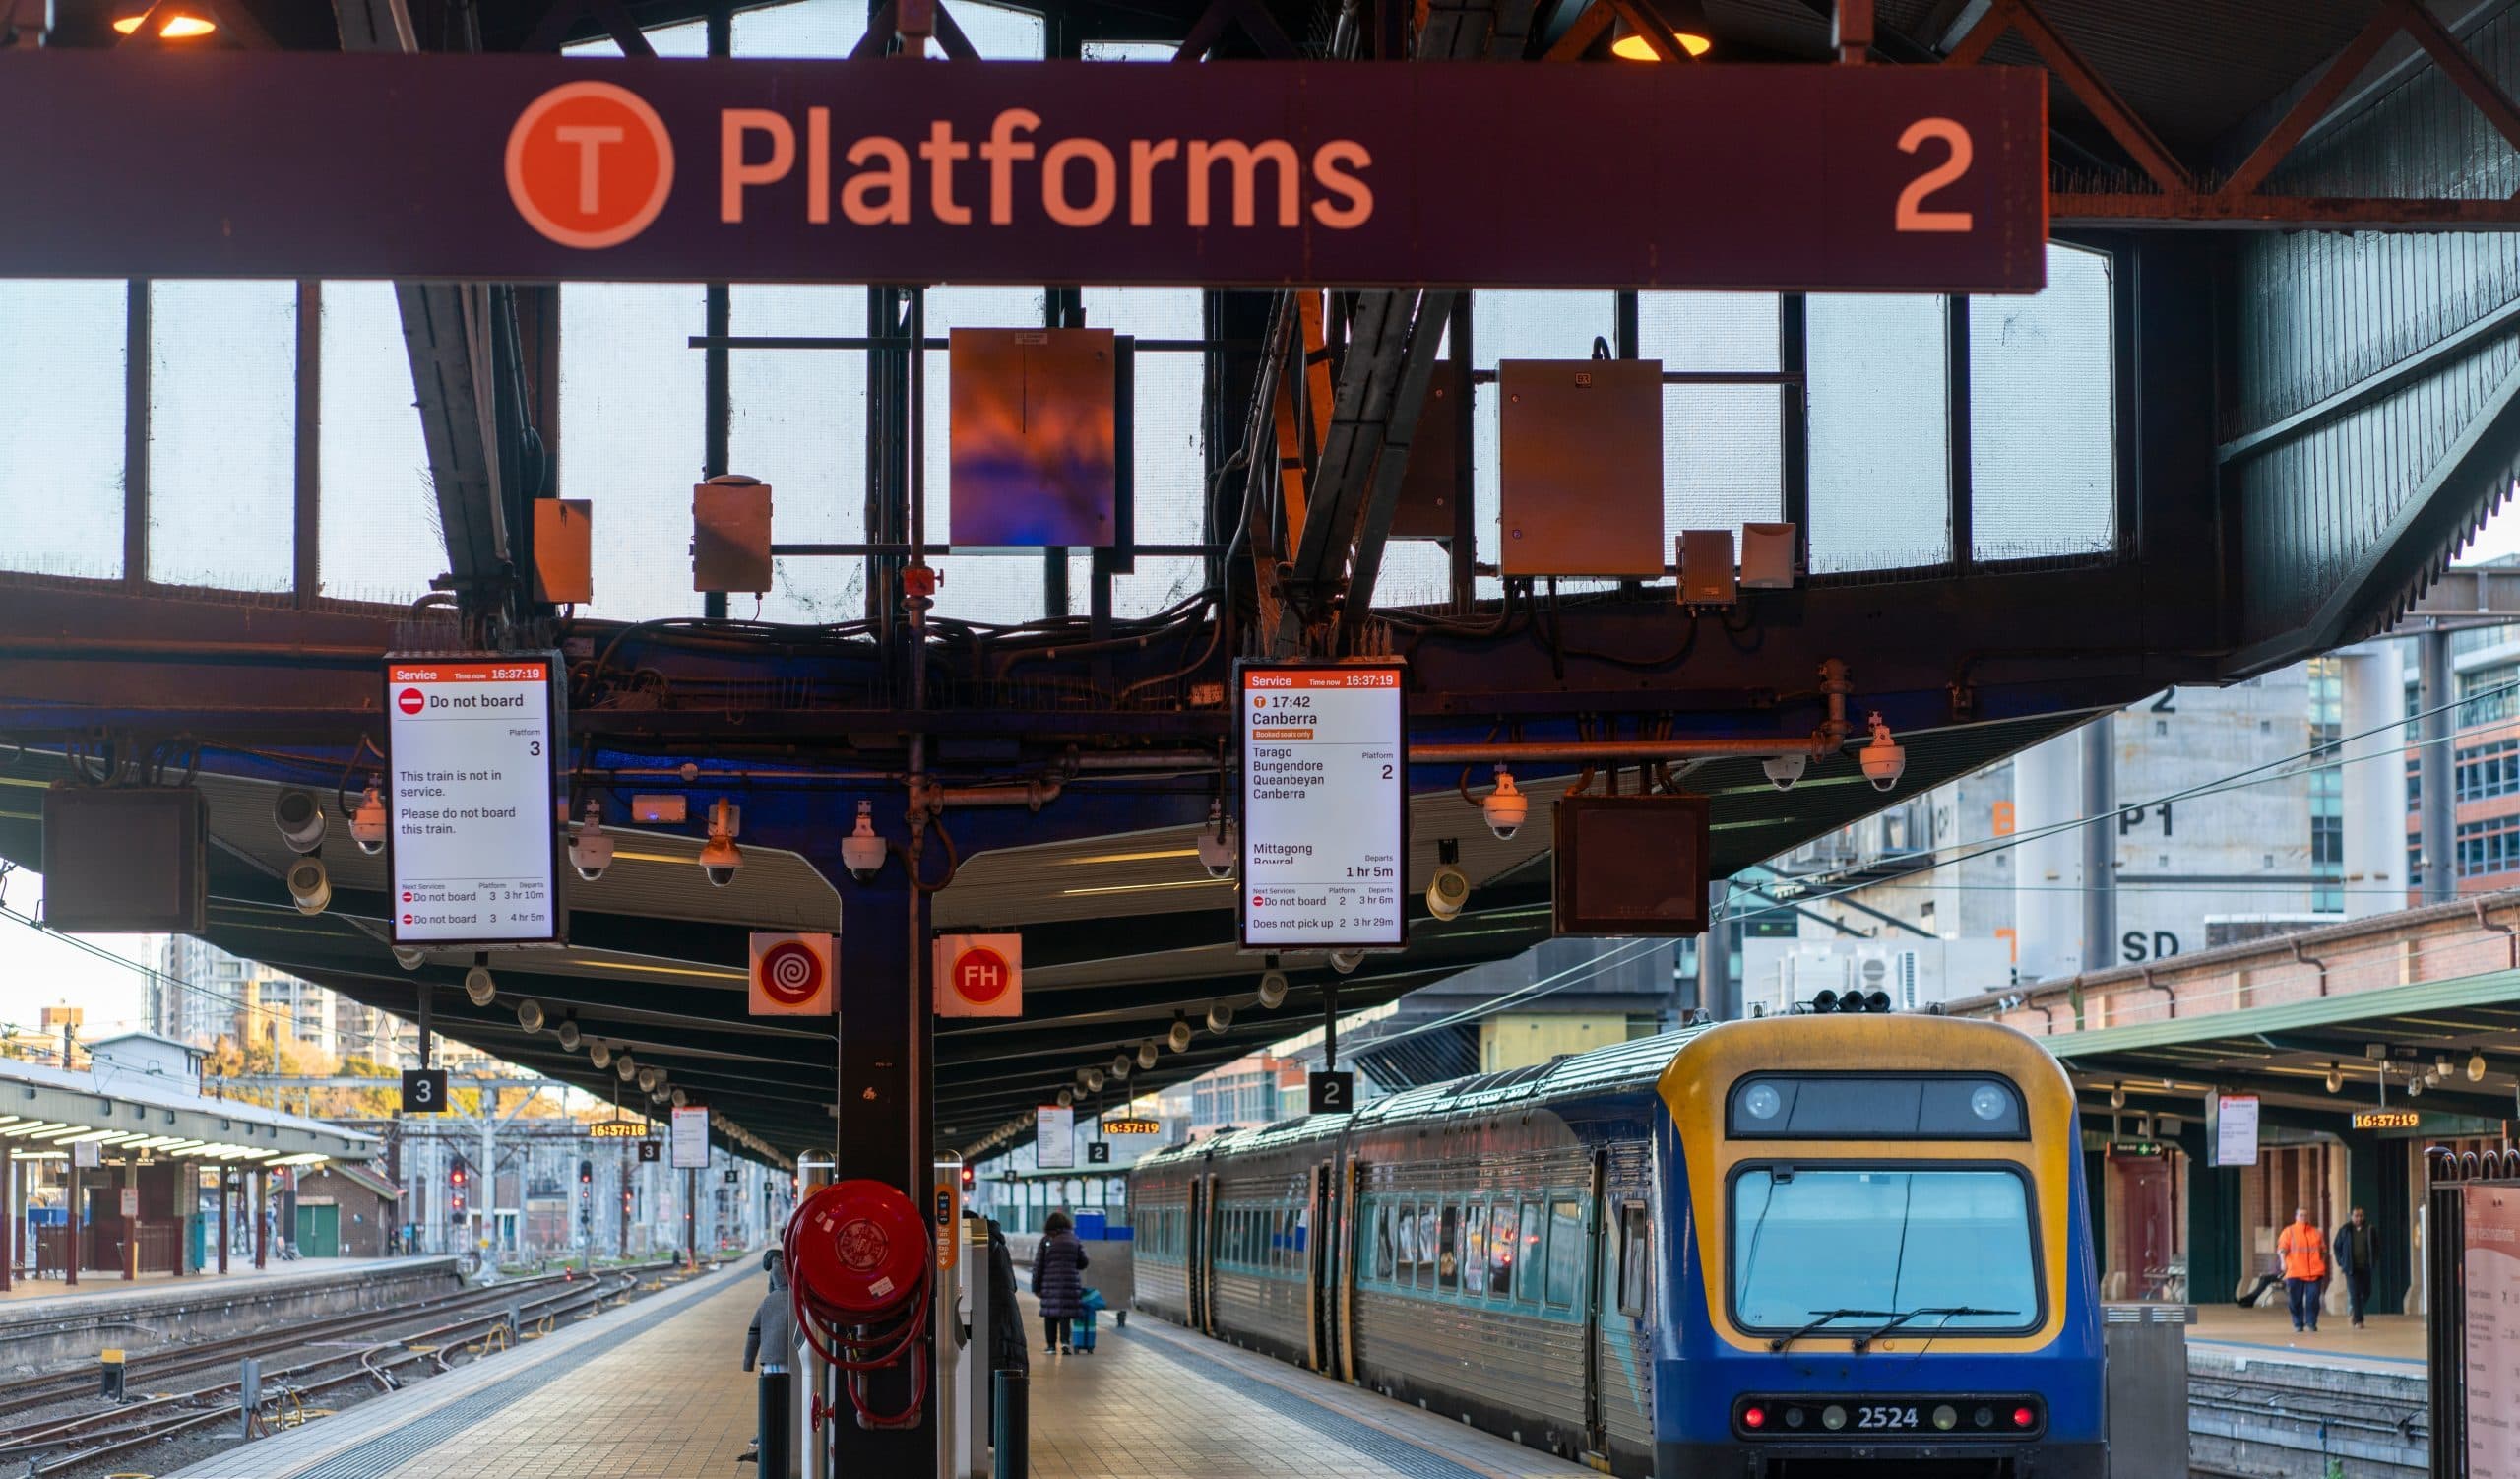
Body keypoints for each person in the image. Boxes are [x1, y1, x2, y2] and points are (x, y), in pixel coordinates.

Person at [739, 1250, 792, 1469]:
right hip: (794, 1363)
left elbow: (753, 1334)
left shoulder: (768, 1301)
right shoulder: (799, 1300)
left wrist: (747, 1362)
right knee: (790, 1403)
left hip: (770, 1362)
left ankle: (766, 1440)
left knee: (770, 1403)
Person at [1033, 1210, 1090, 1355]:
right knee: (1065, 1315)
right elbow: (1083, 1262)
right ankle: (1065, 1343)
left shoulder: (1046, 1240)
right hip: (1069, 1284)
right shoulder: (1074, 1239)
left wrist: (1036, 1287)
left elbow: (1038, 1265)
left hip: (1050, 1284)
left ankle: (1051, 1346)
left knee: (1050, 1314)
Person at [2276, 1206, 2328, 1334]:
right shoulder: (2289, 1231)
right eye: (2301, 1215)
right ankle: (2298, 1323)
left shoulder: (2316, 1232)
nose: (2303, 1217)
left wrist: (2321, 1262)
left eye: (2305, 1215)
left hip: (2314, 1272)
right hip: (2295, 1271)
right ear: (2296, 1217)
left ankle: (2311, 1323)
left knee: (2313, 1299)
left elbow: (2323, 1250)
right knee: (2295, 1300)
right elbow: (2282, 1248)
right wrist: (2283, 1262)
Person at [2332, 1206, 2381, 1329]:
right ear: (2351, 1216)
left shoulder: (2370, 1229)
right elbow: (2336, 1246)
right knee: (2354, 1293)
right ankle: (2358, 1320)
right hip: (2351, 1268)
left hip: (2365, 1267)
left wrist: (2374, 1259)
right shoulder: (2345, 1230)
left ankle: (2355, 1309)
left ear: (2363, 1216)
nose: (2358, 1218)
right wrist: (2341, 1262)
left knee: (2367, 1292)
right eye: (2356, 1216)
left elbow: (2377, 1246)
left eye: (2360, 1216)